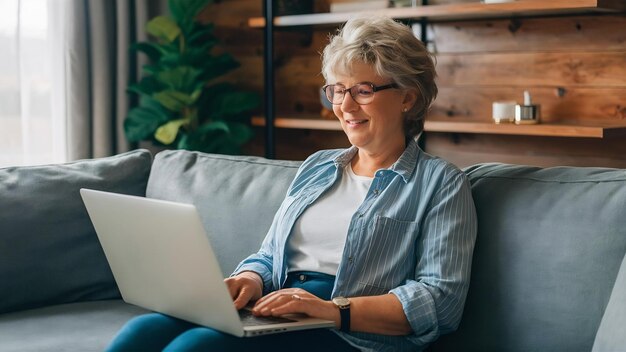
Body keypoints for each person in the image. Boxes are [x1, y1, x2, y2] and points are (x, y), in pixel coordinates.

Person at [106, 16, 477, 352]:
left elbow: (439, 301)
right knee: (141, 333)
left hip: (351, 334)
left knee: (195, 348)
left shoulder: (440, 183)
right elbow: (269, 255)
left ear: (408, 98)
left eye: (363, 90)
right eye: (336, 89)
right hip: (281, 307)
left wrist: (331, 310)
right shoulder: (318, 166)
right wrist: (249, 278)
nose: (345, 106)